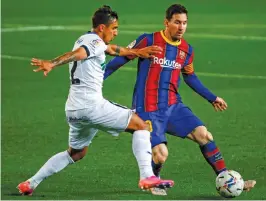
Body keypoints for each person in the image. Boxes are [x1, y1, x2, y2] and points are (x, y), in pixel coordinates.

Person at [17, 5, 175, 196]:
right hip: (92, 106)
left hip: (74, 110)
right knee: (141, 125)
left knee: (76, 153)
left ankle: (30, 183)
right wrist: (52, 62)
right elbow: (80, 53)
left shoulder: (87, 38)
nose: (116, 32)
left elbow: (111, 49)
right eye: (113, 28)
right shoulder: (91, 43)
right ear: (102, 28)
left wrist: (136, 52)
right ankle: (147, 176)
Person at [103, 4, 256, 196]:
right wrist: (94, 81)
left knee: (204, 135)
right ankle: (154, 179)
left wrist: (212, 98)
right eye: (177, 22)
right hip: (148, 108)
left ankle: (227, 178)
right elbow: (119, 61)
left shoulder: (186, 50)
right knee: (161, 155)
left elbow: (190, 76)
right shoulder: (148, 40)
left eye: (184, 23)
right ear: (166, 22)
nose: (181, 27)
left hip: (173, 106)